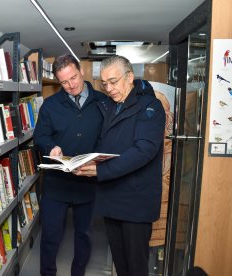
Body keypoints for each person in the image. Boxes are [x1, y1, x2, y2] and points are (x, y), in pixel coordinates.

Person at [74, 55, 166, 276]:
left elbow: (143, 151)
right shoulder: (109, 106)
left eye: (113, 82)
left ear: (130, 77)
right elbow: (105, 143)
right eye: (104, 84)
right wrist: (84, 160)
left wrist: (100, 170)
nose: (109, 88)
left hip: (136, 202)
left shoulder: (150, 107)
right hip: (112, 198)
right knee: (121, 264)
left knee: (135, 267)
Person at [33, 54, 107, 276]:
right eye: (64, 82)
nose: (71, 85)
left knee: (84, 235)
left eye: (74, 77)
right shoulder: (51, 105)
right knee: (50, 236)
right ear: (58, 81)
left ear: (81, 71)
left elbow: (109, 137)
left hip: (88, 181)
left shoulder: (103, 102)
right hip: (57, 183)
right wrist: (51, 147)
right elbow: (40, 136)